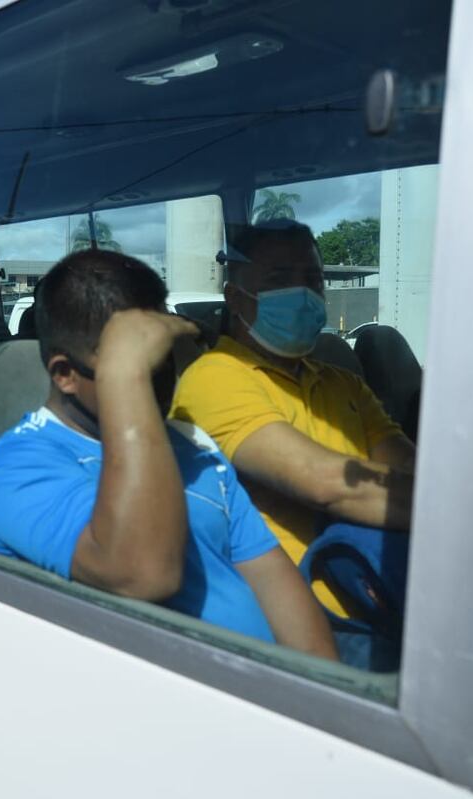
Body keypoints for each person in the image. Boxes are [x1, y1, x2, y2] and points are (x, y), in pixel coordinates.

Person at [0, 250, 337, 659]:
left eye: (165, 352)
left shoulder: (192, 445)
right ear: (65, 374)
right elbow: (144, 573)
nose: (165, 373)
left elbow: (277, 587)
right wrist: (125, 373)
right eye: (144, 361)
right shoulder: (15, 468)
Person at [170, 221, 415, 667]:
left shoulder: (343, 383)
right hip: (303, 617)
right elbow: (327, 483)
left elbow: (409, 465)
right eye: (279, 281)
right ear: (234, 298)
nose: (303, 293)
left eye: (313, 280)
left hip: (381, 585)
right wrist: (457, 511)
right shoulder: (214, 377)